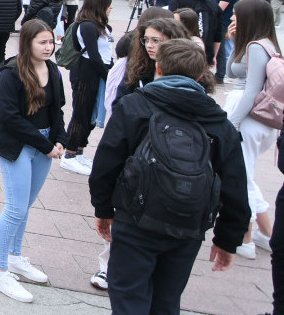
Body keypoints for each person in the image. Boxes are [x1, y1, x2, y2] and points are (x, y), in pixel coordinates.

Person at [88, 40, 248, 314]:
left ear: (159, 68)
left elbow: (106, 163)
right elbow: (235, 186)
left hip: (135, 219)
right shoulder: (219, 122)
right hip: (188, 226)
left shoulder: (135, 106)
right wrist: (227, 240)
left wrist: (103, 209)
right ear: (202, 75)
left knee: (128, 297)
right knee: (167, 300)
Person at [0, 20, 67, 303]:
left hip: (44, 145)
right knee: (15, 208)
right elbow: (10, 118)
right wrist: (47, 145)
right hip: (18, 146)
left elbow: (57, 109)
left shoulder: (53, 70)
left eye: (51, 42)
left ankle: (15, 257)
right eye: (42, 42)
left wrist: (60, 139)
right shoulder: (11, 73)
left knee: (25, 206)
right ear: (27, 42)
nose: (48, 47)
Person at [223, 0, 279, 259]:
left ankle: (245, 237)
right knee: (244, 174)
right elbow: (231, 73)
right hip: (256, 119)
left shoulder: (256, 47)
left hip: (248, 117)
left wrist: (232, 123)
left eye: (236, 15)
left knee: (239, 177)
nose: (232, 19)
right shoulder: (262, 44)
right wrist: (235, 43)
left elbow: (251, 90)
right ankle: (266, 234)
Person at [61, 0, 114, 175]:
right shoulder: (87, 26)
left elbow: (105, 54)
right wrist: (108, 76)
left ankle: (79, 150)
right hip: (85, 73)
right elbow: (94, 55)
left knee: (91, 115)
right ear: (99, 5)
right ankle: (69, 153)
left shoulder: (101, 25)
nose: (111, 7)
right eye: (108, 4)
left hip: (97, 73)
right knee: (81, 114)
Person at [213, 0, 240, 83]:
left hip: (223, 22)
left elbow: (219, 9)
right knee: (222, 49)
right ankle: (220, 74)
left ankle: (220, 75)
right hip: (222, 22)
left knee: (221, 50)